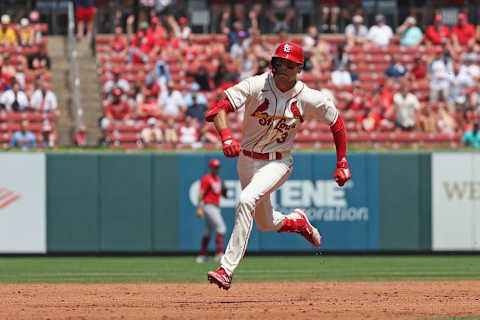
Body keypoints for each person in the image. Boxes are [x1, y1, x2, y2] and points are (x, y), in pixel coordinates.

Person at [205, 42, 351, 290]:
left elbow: (336, 123)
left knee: (246, 199)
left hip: (278, 161)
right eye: (278, 63)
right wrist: (226, 136)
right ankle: (297, 222)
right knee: (264, 222)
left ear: (300, 68)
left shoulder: (309, 97)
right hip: (246, 161)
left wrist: (342, 161)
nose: (282, 67)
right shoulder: (256, 85)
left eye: (289, 64)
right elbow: (219, 108)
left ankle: (226, 269)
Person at [196, 158, 227, 263]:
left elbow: (220, 193)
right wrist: (199, 208)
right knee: (221, 228)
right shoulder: (207, 178)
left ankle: (202, 255)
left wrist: (224, 192)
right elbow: (201, 194)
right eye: (215, 167)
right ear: (211, 167)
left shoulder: (218, 179)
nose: (217, 169)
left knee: (208, 232)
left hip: (216, 206)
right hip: (209, 206)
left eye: (218, 167)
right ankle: (219, 254)